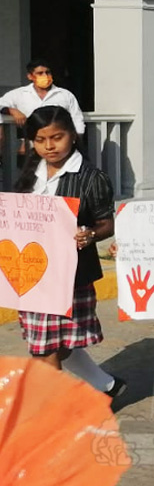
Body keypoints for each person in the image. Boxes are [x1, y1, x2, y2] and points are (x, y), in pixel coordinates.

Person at [13, 106, 124, 397]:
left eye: (56, 137)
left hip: (68, 274)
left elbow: (106, 223)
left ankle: (54, 414)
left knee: (50, 348)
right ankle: (106, 386)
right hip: (31, 273)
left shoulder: (91, 177)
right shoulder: (31, 173)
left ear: (73, 135)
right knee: (49, 346)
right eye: (40, 140)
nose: (49, 146)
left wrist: (90, 234)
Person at [0, 59, 85, 133]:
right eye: (40, 73)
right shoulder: (19, 94)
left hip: (58, 141)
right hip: (30, 142)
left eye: (47, 72)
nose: (45, 76)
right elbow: (1, 104)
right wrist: (12, 111)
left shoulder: (65, 95)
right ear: (30, 76)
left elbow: (77, 119)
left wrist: (77, 138)